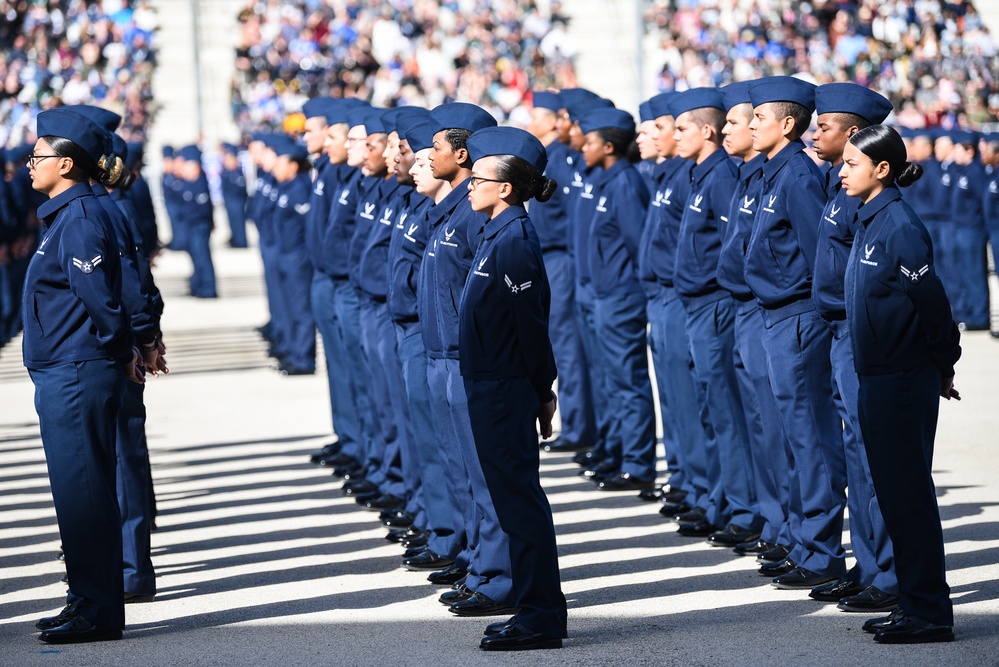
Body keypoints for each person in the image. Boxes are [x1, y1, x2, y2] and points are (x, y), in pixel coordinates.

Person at [23, 108, 144, 644]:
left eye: (39, 157)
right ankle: (86, 597)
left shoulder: (79, 219)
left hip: (77, 371)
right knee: (78, 493)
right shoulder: (65, 213)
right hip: (68, 368)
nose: (30, 165)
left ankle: (96, 609)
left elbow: (101, 299)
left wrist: (122, 350)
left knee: (85, 494)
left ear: (67, 163)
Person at [839, 124, 961, 644]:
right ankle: (912, 602)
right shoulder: (870, 218)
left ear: (881, 169)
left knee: (908, 497)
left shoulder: (898, 225)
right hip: (879, 377)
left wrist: (943, 364)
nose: (842, 171)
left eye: (851, 163)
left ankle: (929, 611)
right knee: (893, 494)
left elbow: (932, 303)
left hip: (902, 380)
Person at [461, 125, 567, 651]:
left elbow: (532, 326)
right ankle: (533, 608)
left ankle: (541, 616)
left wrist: (542, 392)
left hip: (505, 389)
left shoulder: (514, 243)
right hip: (490, 386)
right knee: (511, 504)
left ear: (505, 188)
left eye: (477, 179)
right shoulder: (494, 235)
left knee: (520, 506)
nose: (468, 186)